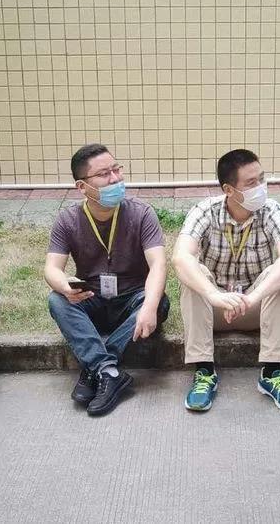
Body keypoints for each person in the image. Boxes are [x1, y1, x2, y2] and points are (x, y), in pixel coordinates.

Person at [172, 149, 280, 412]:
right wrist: (214, 295)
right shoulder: (206, 211)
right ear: (228, 189)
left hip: (256, 306)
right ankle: (204, 371)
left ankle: (272, 372)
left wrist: (252, 298)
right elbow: (179, 257)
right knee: (194, 272)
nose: (261, 187)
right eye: (251, 183)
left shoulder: (272, 210)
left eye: (262, 179)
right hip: (214, 308)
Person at [44, 143, 170, 416]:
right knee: (57, 300)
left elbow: (158, 263)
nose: (115, 179)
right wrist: (65, 286)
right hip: (92, 298)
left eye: (116, 169)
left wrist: (149, 307)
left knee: (158, 302)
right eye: (104, 174)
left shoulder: (141, 213)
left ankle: (97, 367)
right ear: (82, 187)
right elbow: (52, 268)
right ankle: (109, 371)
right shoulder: (68, 219)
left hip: (132, 300)